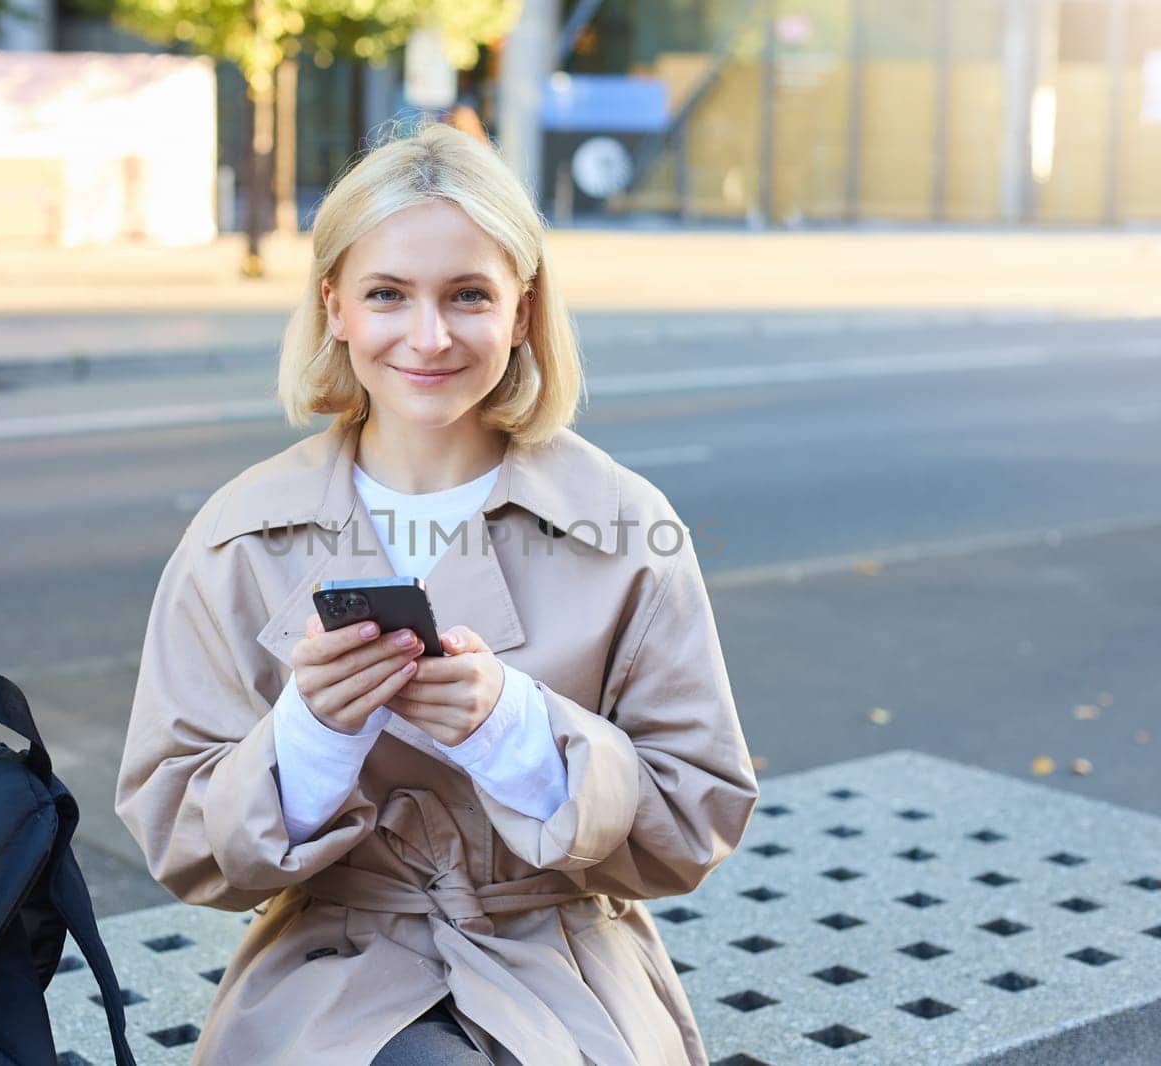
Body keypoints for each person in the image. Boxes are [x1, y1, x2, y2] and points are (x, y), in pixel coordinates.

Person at [115, 121, 759, 1065]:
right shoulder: (237, 533)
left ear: (523, 311)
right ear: (334, 305)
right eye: (387, 294)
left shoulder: (626, 522)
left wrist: (517, 730)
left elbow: (696, 817)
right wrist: (313, 737)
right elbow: (182, 842)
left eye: (468, 296)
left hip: (563, 964)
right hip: (326, 967)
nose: (429, 336)